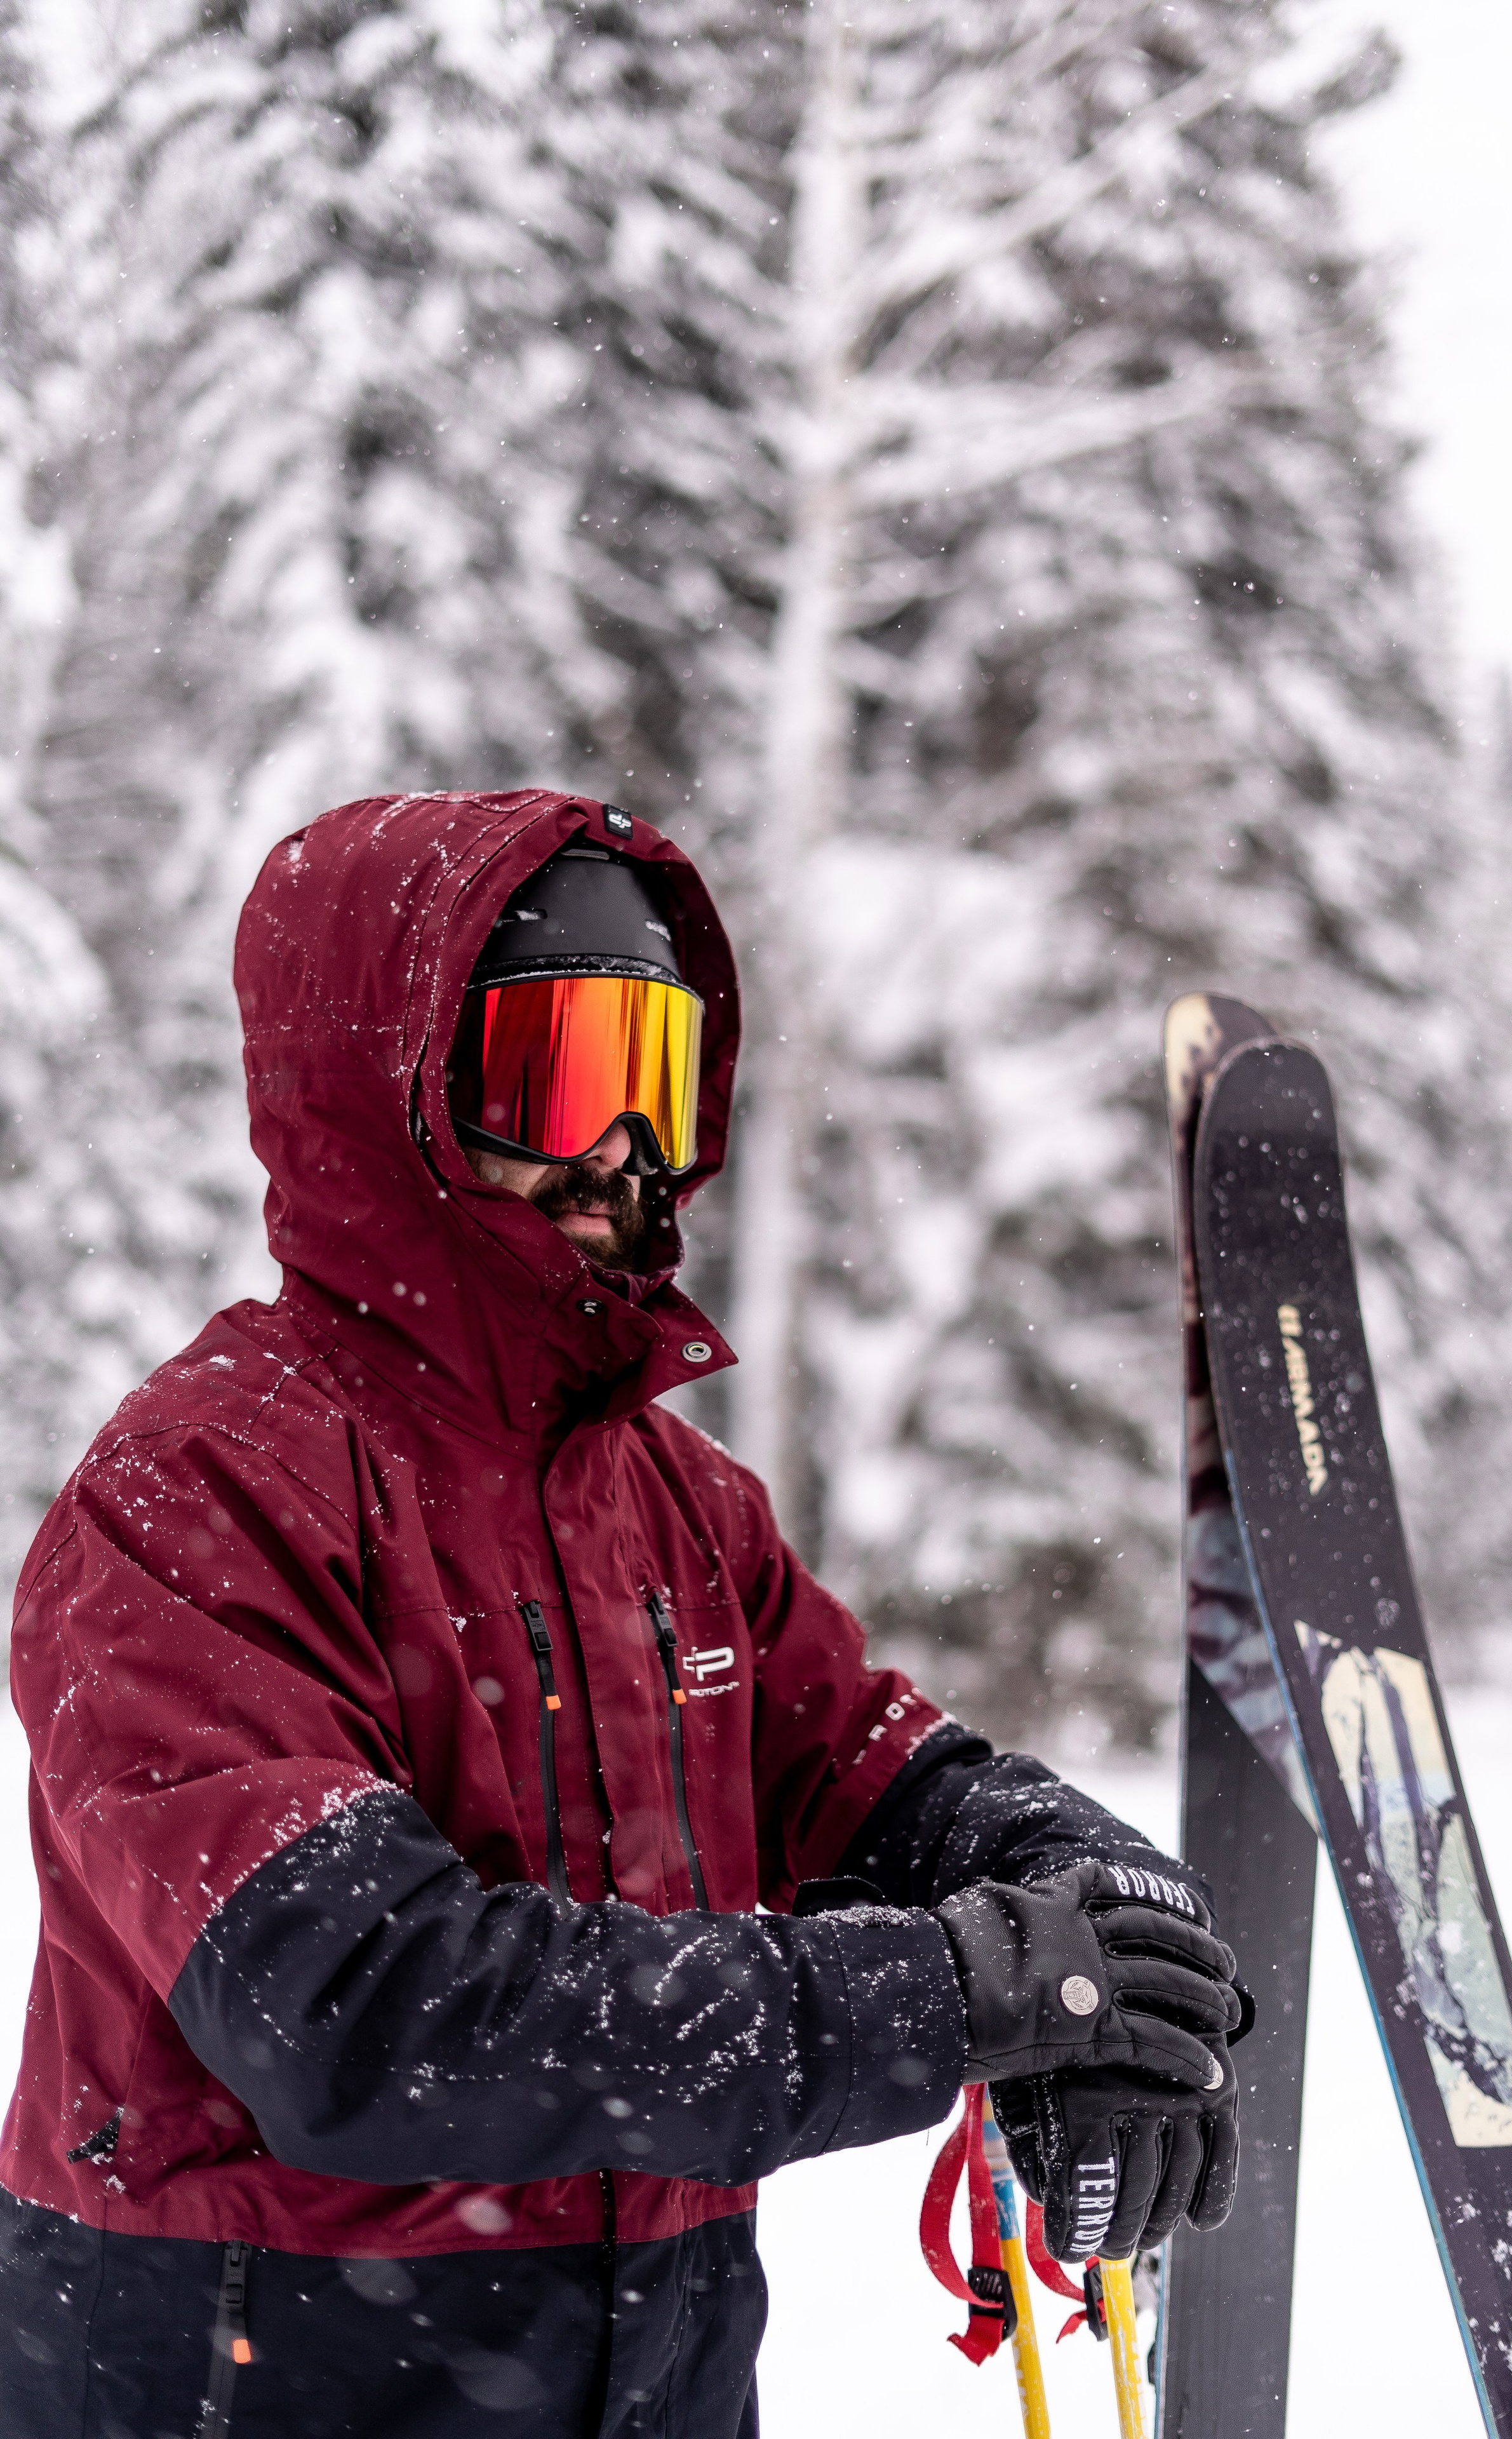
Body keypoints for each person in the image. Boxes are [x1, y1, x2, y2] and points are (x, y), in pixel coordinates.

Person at [0, 789, 1242, 2438]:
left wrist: (1090, 1906)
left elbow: (878, 1784)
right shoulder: (200, 1495)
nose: (624, 1154)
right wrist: (946, 1995)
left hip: (654, 2369)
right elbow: (369, 2013)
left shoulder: (668, 1504)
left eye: (653, 1084)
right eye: (562, 1077)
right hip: (267, 2370)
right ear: (391, 1094)